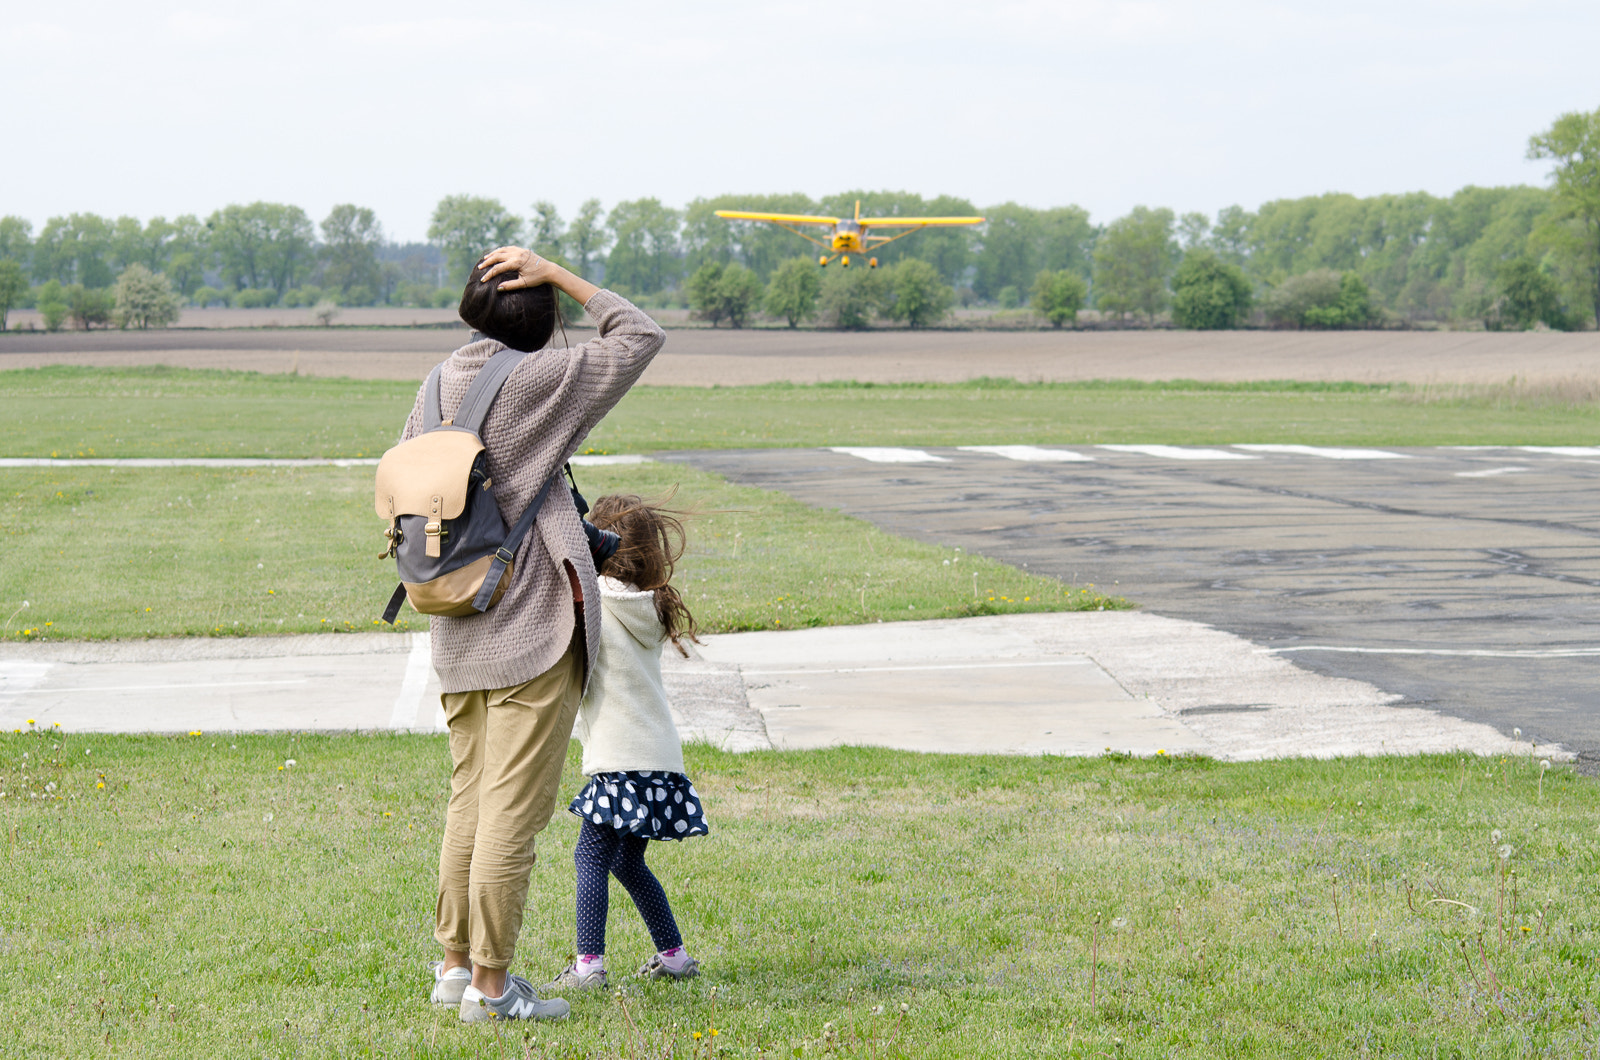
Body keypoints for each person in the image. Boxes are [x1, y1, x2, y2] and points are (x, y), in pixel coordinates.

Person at [413, 247, 665, 1023]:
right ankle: (493, 990)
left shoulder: (436, 388)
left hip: (457, 620)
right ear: (542, 314)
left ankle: (455, 968)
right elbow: (638, 335)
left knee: (469, 802)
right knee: (512, 819)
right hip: (529, 629)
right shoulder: (539, 380)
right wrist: (559, 273)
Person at [543, 494, 709, 993]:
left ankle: (589, 965)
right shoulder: (648, 602)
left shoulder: (596, 595)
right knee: (626, 861)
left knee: (589, 858)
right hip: (660, 758)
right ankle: (675, 957)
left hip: (619, 758)